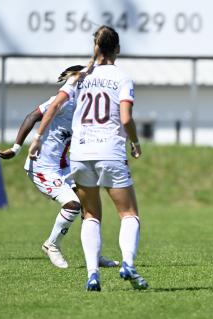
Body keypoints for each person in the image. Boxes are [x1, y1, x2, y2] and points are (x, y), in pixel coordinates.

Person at [28, 25, 148, 291]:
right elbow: (126, 118)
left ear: (95, 47)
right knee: (128, 214)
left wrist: (36, 139)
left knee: (91, 215)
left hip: (81, 154)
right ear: (117, 49)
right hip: (110, 151)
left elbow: (55, 105)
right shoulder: (122, 78)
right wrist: (136, 143)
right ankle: (127, 262)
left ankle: (92, 274)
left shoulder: (79, 77)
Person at [0, 65, 118, 269]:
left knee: (90, 206)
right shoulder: (64, 101)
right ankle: (51, 245)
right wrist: (16, 148)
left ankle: (94, 255)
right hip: (42, 167)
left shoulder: (87, 105)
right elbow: (32, 116)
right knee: (72, 204)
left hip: (65, 167)